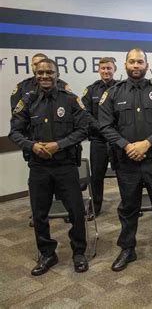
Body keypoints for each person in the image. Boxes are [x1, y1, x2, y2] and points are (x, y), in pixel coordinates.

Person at [99, 48, 152, 271]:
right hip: (127, 162)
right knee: (128, 207)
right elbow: (105, 125)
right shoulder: (113, 93)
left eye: (140, 62)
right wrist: (127, 146)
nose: (136, 66)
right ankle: (127, 249)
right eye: (132, 62)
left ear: (146, 64)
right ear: (125, 65)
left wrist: (147, 143)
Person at [9, 58, 89, 275]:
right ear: (36, 73)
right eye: (41, 72)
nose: (45, 76)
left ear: (57, 74)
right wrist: (32, 146)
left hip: (65, 166)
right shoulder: (27, 101)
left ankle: (79, 252)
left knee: (76, 211)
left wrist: (59, 145)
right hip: (38, 167)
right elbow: (14, 132)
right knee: (39, 214)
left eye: (49, 72)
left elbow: (84, 129)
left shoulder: (71, 100)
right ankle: (47, 254)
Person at [81, 57, 117, 216]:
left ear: (114, 69)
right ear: (98, 70)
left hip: (118, 141)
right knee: (97, 175)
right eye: (103, 68)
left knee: (125, 174)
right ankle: (95, 207)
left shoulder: (121, 88)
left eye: (109, 68)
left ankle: (131, 205)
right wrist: (102, 128)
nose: (106, 71)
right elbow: (84, 114)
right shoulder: (90, 90)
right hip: (98, 140)